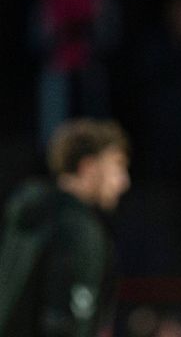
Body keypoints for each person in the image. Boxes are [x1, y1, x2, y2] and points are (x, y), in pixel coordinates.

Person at [0, 118, 131, 336]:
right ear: (89, 167)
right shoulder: (79, 231)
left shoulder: (22, 211)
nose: (124, 181)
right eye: (117, 165)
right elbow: (66, 325)